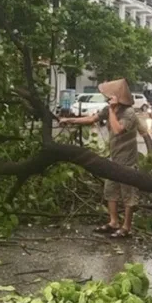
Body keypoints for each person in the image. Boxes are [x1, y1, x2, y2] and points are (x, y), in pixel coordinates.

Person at [60, 79, 140, 239]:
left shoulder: (129, 113)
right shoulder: (109, 109)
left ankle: (126, 227)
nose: (107, 99)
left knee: (128, 194)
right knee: (110, 191)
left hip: (128, 161)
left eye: (110, 97)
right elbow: (92, 119)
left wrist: (111, 109)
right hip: (114, 158)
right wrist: (69, 120)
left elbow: (117, 130)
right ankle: (113, 222)